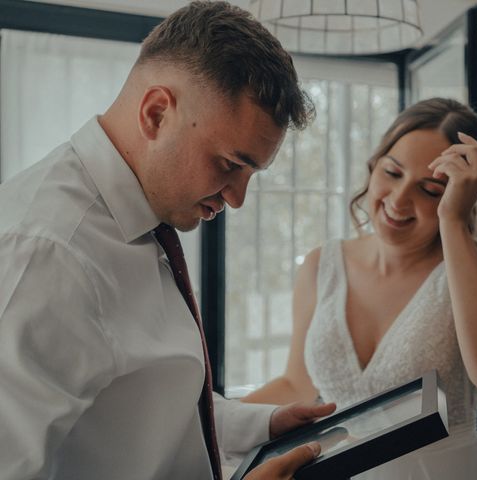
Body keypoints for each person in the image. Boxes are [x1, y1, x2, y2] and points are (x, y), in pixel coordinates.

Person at [0, 2, 336, 480]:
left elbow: (140, 405)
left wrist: (261, 423)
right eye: (229, 164)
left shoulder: (139, 220)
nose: (238, 199)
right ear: (157, 113)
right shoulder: (47, 254)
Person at [243, 97, 477, 479]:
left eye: (430, 189)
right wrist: (209, 421)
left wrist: (454, 223)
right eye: (392, 173)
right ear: (374, 165)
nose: (398, 200)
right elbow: (297, 384)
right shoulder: (321, 265)